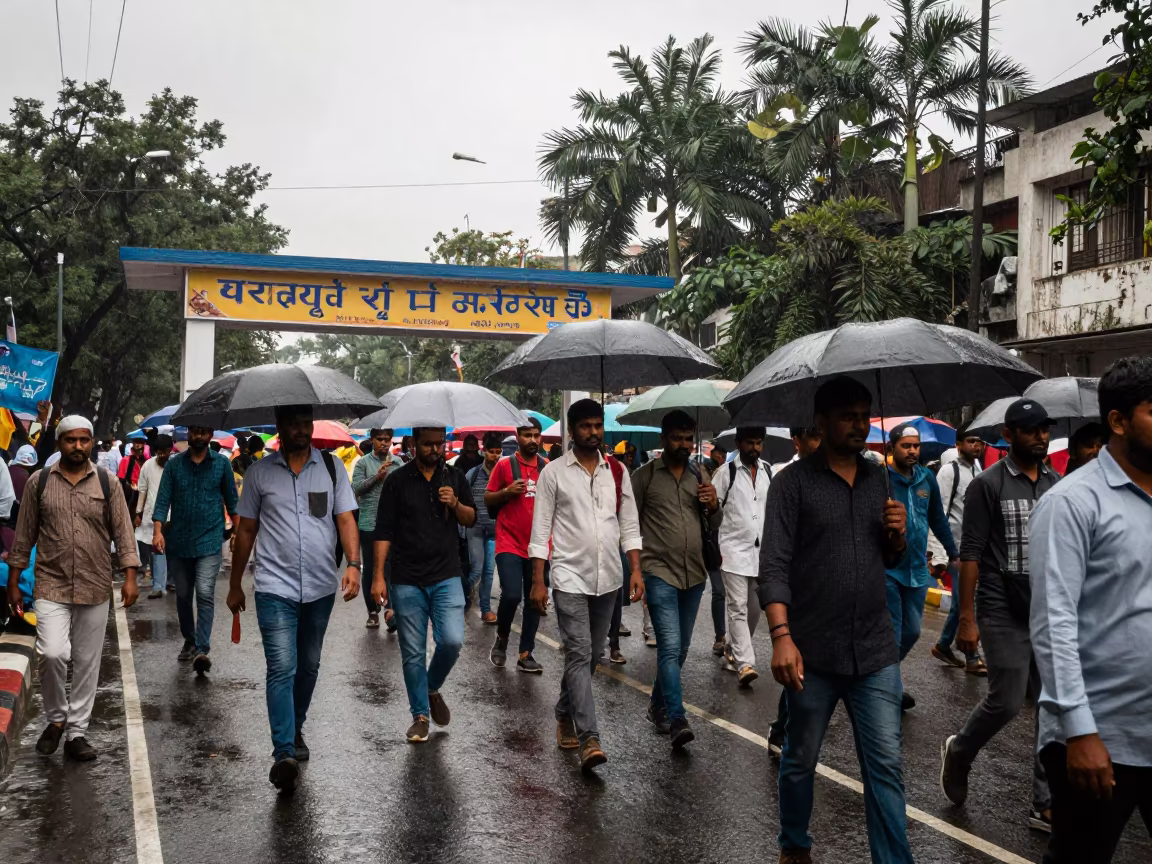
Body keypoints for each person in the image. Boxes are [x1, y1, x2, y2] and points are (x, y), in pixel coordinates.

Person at [758, 377, 912, 864]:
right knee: (801, 760)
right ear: (821, 423)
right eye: (848, 416)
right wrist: (781, 636)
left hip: (874, 650)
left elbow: (888, 559)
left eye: (864, 415)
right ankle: (794, 845)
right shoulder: (792, 484)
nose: (859, 424)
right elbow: (775, 566)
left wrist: (897, 535)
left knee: (885, 766)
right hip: (813, 651)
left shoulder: (878, 478)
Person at [1029, 357, 1152, 862]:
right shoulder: (1072, 503)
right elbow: (1053, 623)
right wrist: (1079, 731)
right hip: (1099, 739)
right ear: (1118, 422)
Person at [940, 397, 1059, 833]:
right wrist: (966, 617)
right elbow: (970, 553)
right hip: (999, 607)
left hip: (1046, 610)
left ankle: (1044, 801)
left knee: (1053, 706)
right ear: (1009, 436)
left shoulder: (1056, 484)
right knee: (1008, 702)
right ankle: (961, 751)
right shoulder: (986, 485)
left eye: (1045, 429)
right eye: (1031, 430)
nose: (1041, 437)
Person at [227, 404, 361, 792]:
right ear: (280, 428)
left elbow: (346, 519)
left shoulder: (332, 468)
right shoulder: (259, 473)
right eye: (293, 424)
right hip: (274, 587)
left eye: (306, 423)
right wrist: (236, 583)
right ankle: (283, 751)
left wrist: (353, 564)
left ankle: (296, 725)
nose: (300, 430)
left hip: (320, 587)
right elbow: (246, 530)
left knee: (309, 665)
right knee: (282, 667)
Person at [5, 416, 140, 762]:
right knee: (53, 653)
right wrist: (14, 580)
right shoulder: (39, 483)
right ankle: (56, 717)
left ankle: (77, 731)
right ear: (59, 442)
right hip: (51, 582)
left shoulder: (108, 483)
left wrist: (129, 576)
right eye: (71, 440)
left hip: (95, 584)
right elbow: (24, 535)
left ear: (92, 442)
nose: (78, 447)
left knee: (87, 661)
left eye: (84, 440)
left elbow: (123, 532)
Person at [528, 399, 643, 772]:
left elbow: (629, 526)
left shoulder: (619, 473)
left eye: (598, 426)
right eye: (586, 426)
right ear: (571, 430)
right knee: (578, 653)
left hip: (609, 576)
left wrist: (636, 571)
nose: (593, 432)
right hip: (568, 577)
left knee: (593, 655)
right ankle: (589, 737)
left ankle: (563, 711)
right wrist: (538, 581)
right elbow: (540, 530)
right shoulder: (554, 474)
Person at [372, 426, 476, 743]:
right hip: (406, 578)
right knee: (412, 653)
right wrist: (378, 576)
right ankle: (419, 715)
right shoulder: (397, 481)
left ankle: (430, 687)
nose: (434, 449)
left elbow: (471, 519)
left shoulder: (455, 477)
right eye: (427, 444)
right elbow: (384, 530)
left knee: (452, 641)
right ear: (414, 444)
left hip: (446, 575)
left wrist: (455, 504)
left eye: (438, 443)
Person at [631, 410, 718, 748]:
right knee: (668, 645)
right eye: (677, 438)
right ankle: (677, 716)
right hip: (659, 572)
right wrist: (635, 568)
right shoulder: (646, 476)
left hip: (694, 573)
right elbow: (627, 523)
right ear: (663, 439)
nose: (684, 445)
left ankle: (656, 704)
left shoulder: (701, 473)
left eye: (688, 439)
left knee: (680, 649)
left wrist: (712, 504)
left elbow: (714, 524)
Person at [152, 424, 240, 674]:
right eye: (195, 432)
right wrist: (158, 531)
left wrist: (238, 534)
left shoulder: (222, 465)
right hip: (178, 543)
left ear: (211, 435)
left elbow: (233, 502)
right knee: (181, 596)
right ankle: (189, 638)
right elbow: (162, 501)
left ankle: (202, 649)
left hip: (210, 542)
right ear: (188, 435)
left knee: (204, 592)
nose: (199, 436)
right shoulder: (174, 465)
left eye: (204, 432)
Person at [885, 424, 958, 711]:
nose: (913, 450)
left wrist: (953, 553)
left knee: (912, 632)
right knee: (892, 633)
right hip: (887, 569)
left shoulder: (927, 478)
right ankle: (890, 690)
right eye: (906, 446)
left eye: (916, 446)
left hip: (917, 569)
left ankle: (879, 677)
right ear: (892, 449)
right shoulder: (882, 479)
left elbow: (938, 519)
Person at [766, 425, 824, 756]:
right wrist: (780, 631)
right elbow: (776, 551)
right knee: (800, 669)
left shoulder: (860, 474)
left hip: (845, 606)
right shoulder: (785, 479)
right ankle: (782, 729)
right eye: (814, 436)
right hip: (799, 594)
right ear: (798, 441)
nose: (821, 443)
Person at [486, 417, 549, 668]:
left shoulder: (547, 467)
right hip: (508, 542)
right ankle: (502, 638)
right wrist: (506, 492)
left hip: (539, 545)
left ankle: (526, 652)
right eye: (526, 435)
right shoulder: (505, 466)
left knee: (535, 598)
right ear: (517, 436)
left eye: (535, 435)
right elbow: (488, 499)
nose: (532, 440)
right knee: (511, 594)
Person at [713, 426, 771, 687]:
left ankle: (732, 652)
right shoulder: (726, 473)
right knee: (737, 607)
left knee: (755, 609)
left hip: (761, 553)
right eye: (750, 443)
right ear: (738, 443)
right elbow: (712, 510)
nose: (755, 448)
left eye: (759, 443)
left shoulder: (768, 471)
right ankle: (745, 663)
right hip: (733, 550)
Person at [930, 424, 987, 675]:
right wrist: (940, 555)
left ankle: (944, 644)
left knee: (968, 600)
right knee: (966, 602)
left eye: (980, 442)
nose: (977, 446)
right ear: (959, 444)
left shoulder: (978, 470)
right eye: (972, 441)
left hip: (975, 549)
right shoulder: (948, 471)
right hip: (956, 549)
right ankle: (972, 656)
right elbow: (938, 514)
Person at [351, 428, 401, 630]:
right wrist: (376, 477)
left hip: (393, 525)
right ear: (372, 440)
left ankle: (390, 610)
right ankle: (373, 611)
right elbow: (355, 489)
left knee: (391, 567)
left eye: (387, 439)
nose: (384, 443)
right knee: (371, 568)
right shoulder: (363, 463)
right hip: (369, 524)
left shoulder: (398, 463)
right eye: (380, 439)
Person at [464, 431, 503, 622]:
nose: (495, 456)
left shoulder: (504, 474)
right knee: (477, 569)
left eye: (498, 452)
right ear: (484, 452)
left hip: (495, 532)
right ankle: (462, 595)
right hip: (475, 529)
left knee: (489, 571)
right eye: (491, 451)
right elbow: (463, 500)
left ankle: (486, 609)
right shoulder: (473, 474)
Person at [135, 434, 174, 599]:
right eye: (160, 452)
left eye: (165, 452)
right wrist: (138, 512)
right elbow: (142, 490)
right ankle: (158, 586)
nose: (162, 456)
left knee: (172, 549)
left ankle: (171, 580)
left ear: (170, 450)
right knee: (157, 548)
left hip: (174, 515)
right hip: (153, 514)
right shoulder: (148, 466)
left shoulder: (175, 465)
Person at [118, 439, 148, 515]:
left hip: (143, 493)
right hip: (129, 493)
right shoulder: (126, 460)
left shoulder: (147, 462)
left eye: (140, 445)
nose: (138, 445)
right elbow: (120, 479)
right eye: (136, 443)